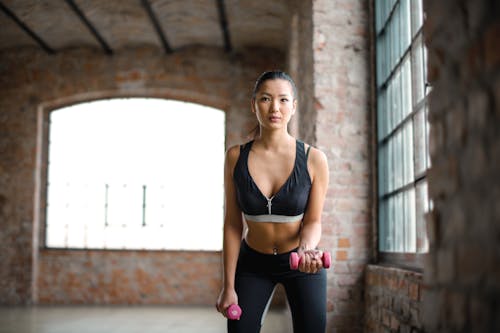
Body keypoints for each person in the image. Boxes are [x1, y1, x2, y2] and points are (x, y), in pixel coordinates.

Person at [216, 70, 329, 333]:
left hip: (301, 264)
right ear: (253, 104)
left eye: (283, 100)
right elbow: (232, 225)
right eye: (266, 99)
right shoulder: (235, 157)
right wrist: (228, 286)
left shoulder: (314, 159)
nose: (274, 108)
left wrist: (307, 249)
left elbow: (313, 221)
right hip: (252, 264)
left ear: (294, 106)